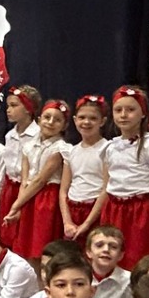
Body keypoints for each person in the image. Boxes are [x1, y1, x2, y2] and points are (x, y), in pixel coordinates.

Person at [98, 86, 149, 268]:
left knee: (138, 259)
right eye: (118, 110)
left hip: (140, 211)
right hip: (114, 209)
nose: (123, 115)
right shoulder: (110, 147)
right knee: (111, 257)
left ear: (143, 113)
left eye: (130, 110)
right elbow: (108, 183)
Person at [6, 98, 67, 262]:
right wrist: (19, 207)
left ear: (64, 125)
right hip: (28, 197)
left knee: (43, 248)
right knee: (26, 248)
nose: (51, 122)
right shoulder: (28, 146)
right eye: (47, 117)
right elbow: (25, 181)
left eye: (57, 120)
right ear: (39, 120)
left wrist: (15, 205)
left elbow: (40, 180)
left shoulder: (60, 148)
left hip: (47, 199)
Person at [59, 95, 110, 243]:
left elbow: (106, 189)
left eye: (93, 118)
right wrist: (67, 221)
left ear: (102, 121)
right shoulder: (72, 151)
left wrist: (86, 224)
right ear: (75, 120)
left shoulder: (107, 149)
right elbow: (63, 190)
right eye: (82, 117)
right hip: (72, 211)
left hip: (95, 211)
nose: (86, 122)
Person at [0, 87, 41, 229]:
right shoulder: (9, 135)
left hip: (28, 190)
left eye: (14, 105)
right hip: (10, 188)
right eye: (8, 106)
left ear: (28, 109)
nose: (8, 110)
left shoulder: (38, 136)